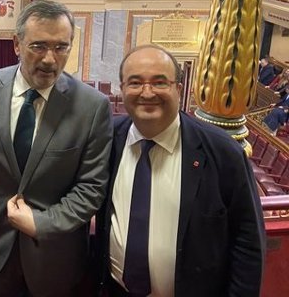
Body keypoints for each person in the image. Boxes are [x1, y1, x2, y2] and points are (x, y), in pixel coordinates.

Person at [0, 0, 113, 296]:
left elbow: (91, 188)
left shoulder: (92, 107)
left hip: (54, 259)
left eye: (61, 47)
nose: (49, 59)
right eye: (38, 46)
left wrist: (40, 223)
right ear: (16, 44)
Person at [96, 44, 265, 296]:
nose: (147, 92)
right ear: (122, 89)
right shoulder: (106, 139)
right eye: (135, 82)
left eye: (159, 82)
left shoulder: (222, 152)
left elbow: (248, 242)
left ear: (179, 89)